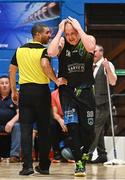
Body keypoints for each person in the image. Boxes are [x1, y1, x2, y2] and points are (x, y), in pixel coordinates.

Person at [9, 23, 66, 175]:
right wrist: (56, 80)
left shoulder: (19, 50)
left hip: (25, 92)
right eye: (47, 33)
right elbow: (45, 65)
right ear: (38, 34)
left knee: (26, 130)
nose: (49, 35)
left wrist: (14, 91)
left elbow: (12, 70)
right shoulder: (44, 50)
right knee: (44, 130)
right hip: (41, 92)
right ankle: (44, 166)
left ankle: (27, 166)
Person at [48, 17, 96, 176]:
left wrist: (79, 28)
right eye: (68, 34)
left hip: (86, 92)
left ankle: (84, 153)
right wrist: (60, 31)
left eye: (73, 33)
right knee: (73, 128)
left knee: (88, 130)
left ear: (78, 30)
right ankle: (79, 163)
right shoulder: (62, 42)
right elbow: (50, 52)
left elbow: (91, 46)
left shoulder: (87, 39)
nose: (71, 37)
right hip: (68, 93)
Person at [88, 44, 117, 163]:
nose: (93, 54)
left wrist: (108, 69)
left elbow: (113, 81)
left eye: (95, 51)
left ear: (101, 52)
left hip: (103, 103)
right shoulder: (91, 66)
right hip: (91, 103)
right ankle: (102, 154)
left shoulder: (107, 64)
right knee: (97, 129)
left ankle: (87, 154)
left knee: (95, 128)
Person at [0, 75, 20, 163]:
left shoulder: (15, 97)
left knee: (18, 126)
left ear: (10, 85)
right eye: (2, 83)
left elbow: (20, 113)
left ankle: (14, 156)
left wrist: (11, 122)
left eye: (6, 83)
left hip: (11, 126)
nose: (4, 85)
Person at [51, 88, 74, 163]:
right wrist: (60, 120)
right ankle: (57, 153)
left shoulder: (73, 92)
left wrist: (68, 121)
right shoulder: (54, 94)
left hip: (72, 118)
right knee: (52, 123)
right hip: (60, 120)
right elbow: (54, 112)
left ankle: (73, 151)